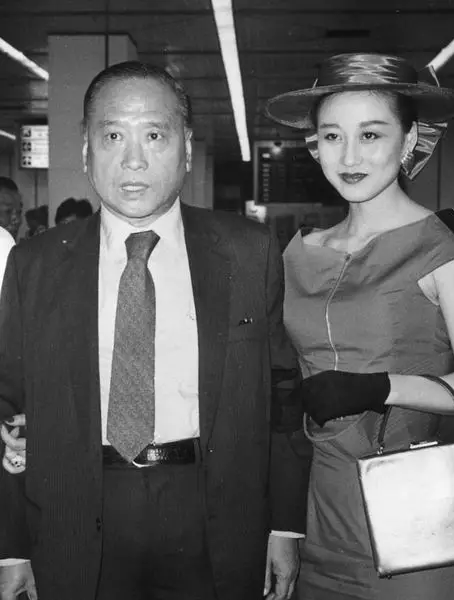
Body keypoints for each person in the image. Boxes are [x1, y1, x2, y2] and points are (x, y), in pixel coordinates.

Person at [0, 61, 309, 600]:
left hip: (213, 512)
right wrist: (12, 547)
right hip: (75, 512)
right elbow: (10, 406)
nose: (133, 159)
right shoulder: (35, 264)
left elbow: (282, 393)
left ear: (185, 148)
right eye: (113, 136)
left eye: (154, 135)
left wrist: (284, 526)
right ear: (86, 150)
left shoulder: (247, 251)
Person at [265, 53, 454, 600]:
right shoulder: (299, 253)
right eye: (333, 136)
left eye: (370, 135)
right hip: (315, 507)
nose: (349, 156)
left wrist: (379, 387)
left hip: (413, 512)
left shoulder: (445, 250)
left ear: (409, 139)